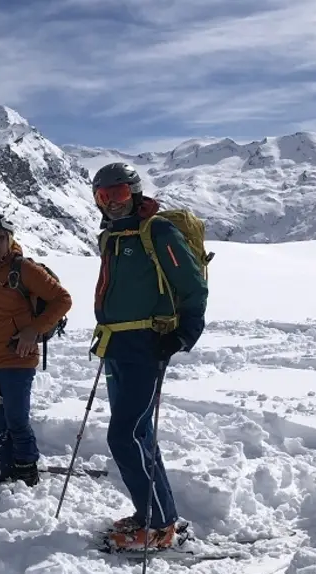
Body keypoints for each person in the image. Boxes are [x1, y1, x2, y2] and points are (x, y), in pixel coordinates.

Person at [89, 162, 208, 552]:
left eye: (119, 194)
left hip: (147, 345)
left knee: (124, 435)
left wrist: (184, 334)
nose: (112, 203)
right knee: (139, 435)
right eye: (104, 197)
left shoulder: (157, 230)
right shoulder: (111, 237)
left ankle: (158, 525)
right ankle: (156, 515)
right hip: (117, 346)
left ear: (135, 192)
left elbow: (191, 285)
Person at [0, 214, 72, 486]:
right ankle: (6, 467)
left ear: (10, 239)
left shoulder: (24, 269)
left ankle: (26, 468)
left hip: (17, 357)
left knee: (16, 419)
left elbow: (62, 299)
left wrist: (34, 330)